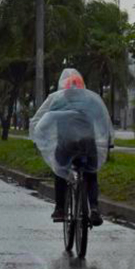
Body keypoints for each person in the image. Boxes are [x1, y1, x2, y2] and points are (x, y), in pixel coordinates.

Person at [30, 69, 113, 226]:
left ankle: (60, 209)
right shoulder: (92, 100)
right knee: (91, 175)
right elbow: (103, 121)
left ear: (64, 87)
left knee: (60, 171)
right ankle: (94, 208)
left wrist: (40, 137)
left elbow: (44, 121)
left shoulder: (58, 100)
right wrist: (109, 142)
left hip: (65, 146)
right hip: (88, 144)